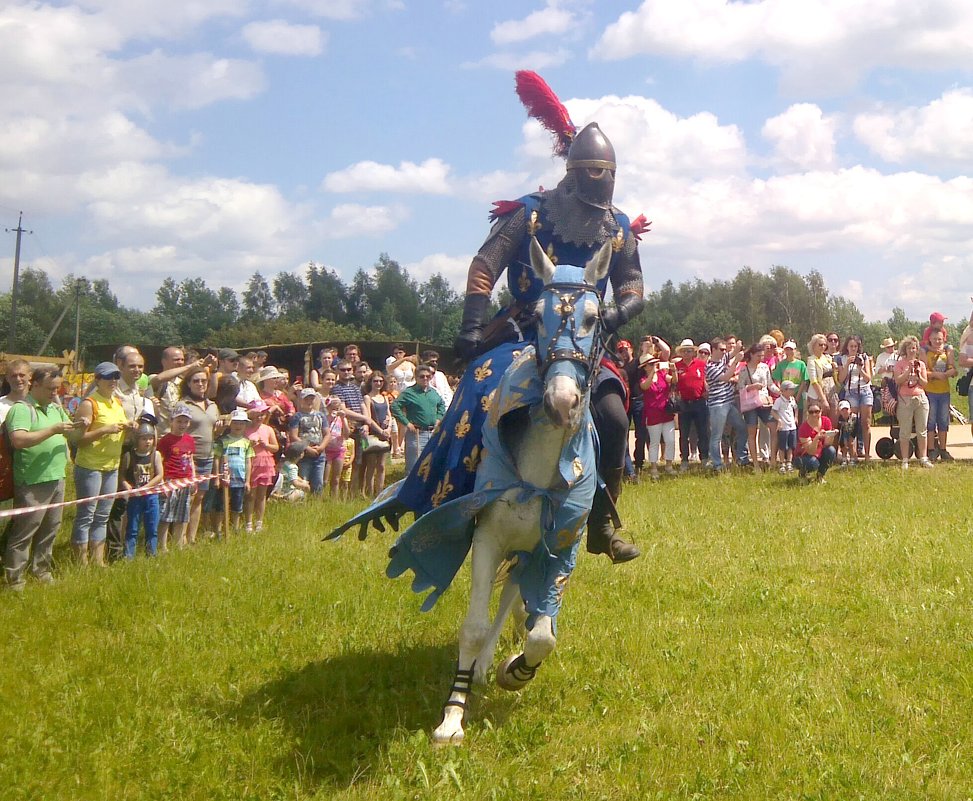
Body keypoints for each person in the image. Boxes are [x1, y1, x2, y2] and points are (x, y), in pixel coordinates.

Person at [4, 366, 82, 590]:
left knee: (51, 528)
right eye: (50, 388)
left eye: (57, 388)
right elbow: (18, 440)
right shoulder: (21, 409)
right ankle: (14, 579)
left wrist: (81, 425)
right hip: (32, 480)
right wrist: (53, 430)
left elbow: (73, 436)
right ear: (34, 384)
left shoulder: (56, 408)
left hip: (57, 477)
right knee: (25, 530)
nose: (54, 392)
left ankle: (41, 570)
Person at [71, 362, 130, 566]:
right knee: (86, 514)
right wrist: (105, 430)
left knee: (103, 515)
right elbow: (79, 439)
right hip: (90, 466)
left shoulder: (117, 402)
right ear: (97, 380)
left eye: (116, 377)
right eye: (108, 377)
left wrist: (129, 426)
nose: (113, 381)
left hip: (112, 466)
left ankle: (98, 561)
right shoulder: (89, 403)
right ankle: (81, 562)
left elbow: (120, 430)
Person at [181, 369, 223, 544]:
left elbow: (214, 430)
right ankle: (180, 537)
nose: (200, 384)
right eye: (196, 381)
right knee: (187, 497)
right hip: (190, 457)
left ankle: (192, 537)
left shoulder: (213, 405)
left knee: (199, 497)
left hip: (208, 456)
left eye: (204, 381)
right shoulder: (184, 404)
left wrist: (219, 430)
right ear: (189, 384)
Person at [119, 420, 164, 558]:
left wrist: (147, 487)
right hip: (135, 498)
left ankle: (152, 553)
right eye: (144, 438)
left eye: (150, 438)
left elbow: (160, 474)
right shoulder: (129, 456)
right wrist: (125, 485)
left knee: (152, 527)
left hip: (151, 496)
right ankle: (129, 555)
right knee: (132, 527)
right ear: (137, 440)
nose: (148, 442)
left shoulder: (155, 455)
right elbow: (121, 476)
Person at [156, 403, 197, 552]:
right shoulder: (165, 440)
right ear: (171, 421)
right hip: (170, 481)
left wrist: (193, 479)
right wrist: (161, 483)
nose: (182, 425)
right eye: (179, 421)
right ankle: (163, 545)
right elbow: (159, 462)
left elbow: (191, 460)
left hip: (185, 481)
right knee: (166, 515)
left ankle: (179, 544)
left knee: (182, 515)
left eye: (185, 422)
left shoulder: (189, 440)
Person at [391, 364, 445, 471]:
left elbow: (441, 404)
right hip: (416, 434)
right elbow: (395, 406)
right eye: (422, 376)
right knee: (413, 468)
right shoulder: (409, 392)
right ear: (416, 377)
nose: (425, 378)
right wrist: (406, 423)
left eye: (427, 376)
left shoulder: (433, 392)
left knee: (430, 467)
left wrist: (439, 418)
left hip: (432, 433)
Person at [705, 338, 746, 471]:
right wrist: (735, 362)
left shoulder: (723, 359)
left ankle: (741, 457)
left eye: (724, 349)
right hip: (717, 405)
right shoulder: (709, 366)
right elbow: (726, 377)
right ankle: (717, 464)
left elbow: (732, 353)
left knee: (742, 428)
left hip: (728, 403)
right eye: (721, 349)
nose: (725, 352)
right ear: (713, 350)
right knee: (716, 435)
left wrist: (738, 346)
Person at [894, 336, 934, 469]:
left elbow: (924, 383)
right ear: (905, 349)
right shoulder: (899, 364)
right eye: (909, 348)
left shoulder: (921, 364)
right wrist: (907, 371)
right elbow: (898, 381)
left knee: (922, 430)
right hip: (905, 399)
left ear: (917, 350)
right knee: (904, 431)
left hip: (920, 398)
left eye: (914, 348)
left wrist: (918, 373)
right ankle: (905, 459)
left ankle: (923, 457)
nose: (912, 350)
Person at [213, 409, 253, 532]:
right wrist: (217, 477)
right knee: (220, 506)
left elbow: (248, 462)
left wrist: (247, 481)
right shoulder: (222, 441)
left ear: (245, 425)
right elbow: (217, 458)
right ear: (230, 424)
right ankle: (219, 530)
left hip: (239, 478)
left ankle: (235, 528)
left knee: (237, 506)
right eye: (235, 423)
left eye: (241, 423)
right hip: (224, 478)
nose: (238, 426)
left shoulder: (247, 443)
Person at [739, 343, 777, 471]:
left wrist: (780, 392)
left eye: (762, 355)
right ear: (751, 355)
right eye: (758, 355)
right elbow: (739, 387)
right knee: (752, 432)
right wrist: (751, 387)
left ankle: (773, 460)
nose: (760, 358)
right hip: (751, 403)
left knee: (773, 426)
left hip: (764, 401)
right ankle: (755, 464)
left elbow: (770, 384)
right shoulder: (744, 369)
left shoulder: (765, 367)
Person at [639, 349, 676, 479]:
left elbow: (673, 381)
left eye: (654, 363)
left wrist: (674, 370)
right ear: (645, 367)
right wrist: (652, 374)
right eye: (650, 364)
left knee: (670, 440)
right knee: (654, 442)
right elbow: (645, 387)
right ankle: (654, 467)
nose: (653, 365)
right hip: (653, 415)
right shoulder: (644, 378)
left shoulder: (662, 374)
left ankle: (669, 465)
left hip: (666, 413)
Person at [673, 339, 709, 471]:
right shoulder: (677, 366)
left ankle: (704, 457)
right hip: (684, 403)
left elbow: (706, 379)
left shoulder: (700, 364)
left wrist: (706, 391)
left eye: (689, 350)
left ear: (693, 352)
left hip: (699, 401)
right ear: (681, 353)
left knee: (703, 432)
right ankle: (684, 459)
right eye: (684, 351)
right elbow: (674, 383)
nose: (687, 353)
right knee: (684, 433)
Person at [836, 335, 873, 462]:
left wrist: (860, 368)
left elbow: (868, 378)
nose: (853, 349)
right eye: (851, 346)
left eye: (855, 346)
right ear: (847, 346)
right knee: (851, 424)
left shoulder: (864, 357)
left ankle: (867, 454)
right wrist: (847, 364)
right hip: (850, 392)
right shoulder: (841, 358)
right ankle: (851, 455)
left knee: (866, 423)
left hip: (865, 391)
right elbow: (841, 379)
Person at [922, 329, 957, 461]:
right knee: (930, 421)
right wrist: (936, 374)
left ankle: (943, 449)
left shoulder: (946, 352)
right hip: (930, 391)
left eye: (940, 339)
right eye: (935, 339)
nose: (937, 341)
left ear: (943, 340)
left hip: (944, 392)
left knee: (943, 421)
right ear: (930, 339)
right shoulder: (926, 352)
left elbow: (953, 369)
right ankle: (931, 449)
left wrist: (948, 373)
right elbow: (923, 371)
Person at [245, 399, 279, 533]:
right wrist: (250, 445)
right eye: (257, 414)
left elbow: (276, 447)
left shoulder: (268, 429)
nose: (260, 417)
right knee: (250, 495)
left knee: (261, 495)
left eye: (262, 414)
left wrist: (266, 445)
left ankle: (259, 522)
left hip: (265, 463)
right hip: (252, 463)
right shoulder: (246, 429)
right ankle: (248, 522)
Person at [289, 388, 328, 495]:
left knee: (318, 482)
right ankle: (302, 502)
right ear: (301, 400)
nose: (310, 401)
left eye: (312, 399)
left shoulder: (321, 416)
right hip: (304, 454)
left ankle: (317, 503)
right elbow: (293, 435)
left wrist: (321, 447)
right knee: (303, 480)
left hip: (319, 454)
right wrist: (306, 447)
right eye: (307, 399)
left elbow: (327, 434)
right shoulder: (297, 416)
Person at [362, 371, 392, 497]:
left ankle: (379, 493)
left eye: (380, 381)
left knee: (381, 466)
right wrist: (380, 431)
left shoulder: (384, 397)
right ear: (371, 382)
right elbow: (368, 418)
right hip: (373, 434)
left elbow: (389, 415)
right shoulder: (367, 398)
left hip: (385, 434)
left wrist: (389, 428)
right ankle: (369, 492)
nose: (378, 383)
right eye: (375, 381)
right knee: (371, 465)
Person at [795, 404, 837, 483]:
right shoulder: (803, 428)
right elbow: (811, 451)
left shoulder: (826, 421)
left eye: (817, 411)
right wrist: (816, 438)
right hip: (804, 455)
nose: (814, 414)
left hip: (819, 453)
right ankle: (802, 474)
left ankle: (820, 476)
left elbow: (827, 444)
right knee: (813, 463)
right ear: (808, 413)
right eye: (811, 412)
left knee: (831, 451)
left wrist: (832, 435)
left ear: (821, 412)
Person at [323, 398, 350, 498]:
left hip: (339, 450)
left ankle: (333, 499)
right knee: (325, 479)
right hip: (327, 450)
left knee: (336, 479)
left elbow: (346, 435)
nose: (335, 410)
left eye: (337, 408)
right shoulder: (325, 418)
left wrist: (343, 419)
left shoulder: (342, 420)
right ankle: (320, 497)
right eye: (332, 408)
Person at [805, 334, 834, 420]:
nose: (823, 347)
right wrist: (823, 399)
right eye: (820, 345)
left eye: (824, 344)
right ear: (813, 346)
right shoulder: (811, 360)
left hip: (831, 391)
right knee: (818, 419)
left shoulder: (827, 358)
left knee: (833, 419)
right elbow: (814, 381)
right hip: (817, 394)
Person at [772, 380, 799, 473]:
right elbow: (773, 411)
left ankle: (789, 463)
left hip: (792, 426)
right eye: (791, 389)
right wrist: (779, 420)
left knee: (791, 446)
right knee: (782, 446)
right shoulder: (779, 401)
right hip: (783, 427)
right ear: (784, 390)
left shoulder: (792, 399)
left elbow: (796, 408)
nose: (792, 391)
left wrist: (795, 418)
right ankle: (782, 463)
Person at [0, 359, 32, 424]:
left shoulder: (37, 403)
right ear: (7, 378)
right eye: (13, 376)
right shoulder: (1, 405)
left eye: (22, 375)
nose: (18, 379)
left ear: (30, 376)